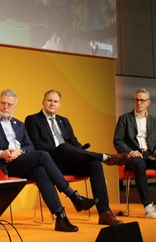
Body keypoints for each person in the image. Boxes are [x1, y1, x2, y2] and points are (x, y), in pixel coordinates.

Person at [0, 89, 99, 232]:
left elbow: (30, 146)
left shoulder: (19, 124)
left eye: (9, 104)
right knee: (43, 155)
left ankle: (60, 217)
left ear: (15, 107)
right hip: (5, 165)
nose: (5, 107)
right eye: (3, 103)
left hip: (22, 160)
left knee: (41, 171)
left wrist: (20, 151)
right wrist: (1, 153)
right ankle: (73, 195)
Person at [24, 89, 130, 226]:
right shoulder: (32, 120)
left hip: (69, 161)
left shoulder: (64, 121)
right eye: (49, 100)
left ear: (59, 105)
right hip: (51, 162)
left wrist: (78, 150)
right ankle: (105, 157)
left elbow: (73, 141)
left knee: (94, 164)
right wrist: (62, 150)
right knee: (63, 147)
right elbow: (36, 145)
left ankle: (104, 213)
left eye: (55, 101)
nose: (52, 103)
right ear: (43, 102)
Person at [113, 88, 156, 219]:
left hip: (150, 155)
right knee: (140, 165)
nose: (138, 103)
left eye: (142, 100)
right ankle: (147, 205)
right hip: (133, 157)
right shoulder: (124, 119)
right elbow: (117, 141)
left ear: (148, 102)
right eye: (136, 100)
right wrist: (131, 152)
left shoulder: (154, 121)